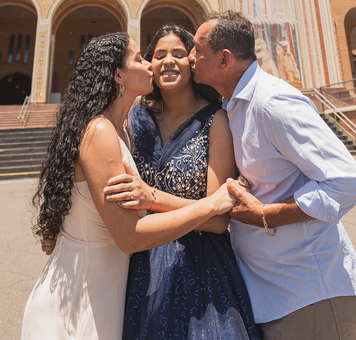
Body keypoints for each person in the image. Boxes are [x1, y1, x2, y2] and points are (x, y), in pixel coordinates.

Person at [21, 33, 237, 340]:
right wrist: (211, 205)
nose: (150, 64)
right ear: (118, 75)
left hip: (109, 289)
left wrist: (55, 219)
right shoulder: (101, 131)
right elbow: (129, 237)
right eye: (140, 58)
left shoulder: (123, 127)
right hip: (81, 295)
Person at [190, 11, 356, 340]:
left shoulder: (272, 102)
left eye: (198, 50)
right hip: (279, 300)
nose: (190, 57)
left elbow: (347, 183)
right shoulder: (236, 105)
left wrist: (266, 215)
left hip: (312, 298)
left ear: (224, 59)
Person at [102, 24, 260, 340]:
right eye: (159, 55)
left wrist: (152, 198)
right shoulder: (136, 118)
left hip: (202, 265)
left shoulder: (216, 120)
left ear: (191, 61)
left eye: (178, 53)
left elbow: (217, 220)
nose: (168, 61)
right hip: (143, 261)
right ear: (149, 64)